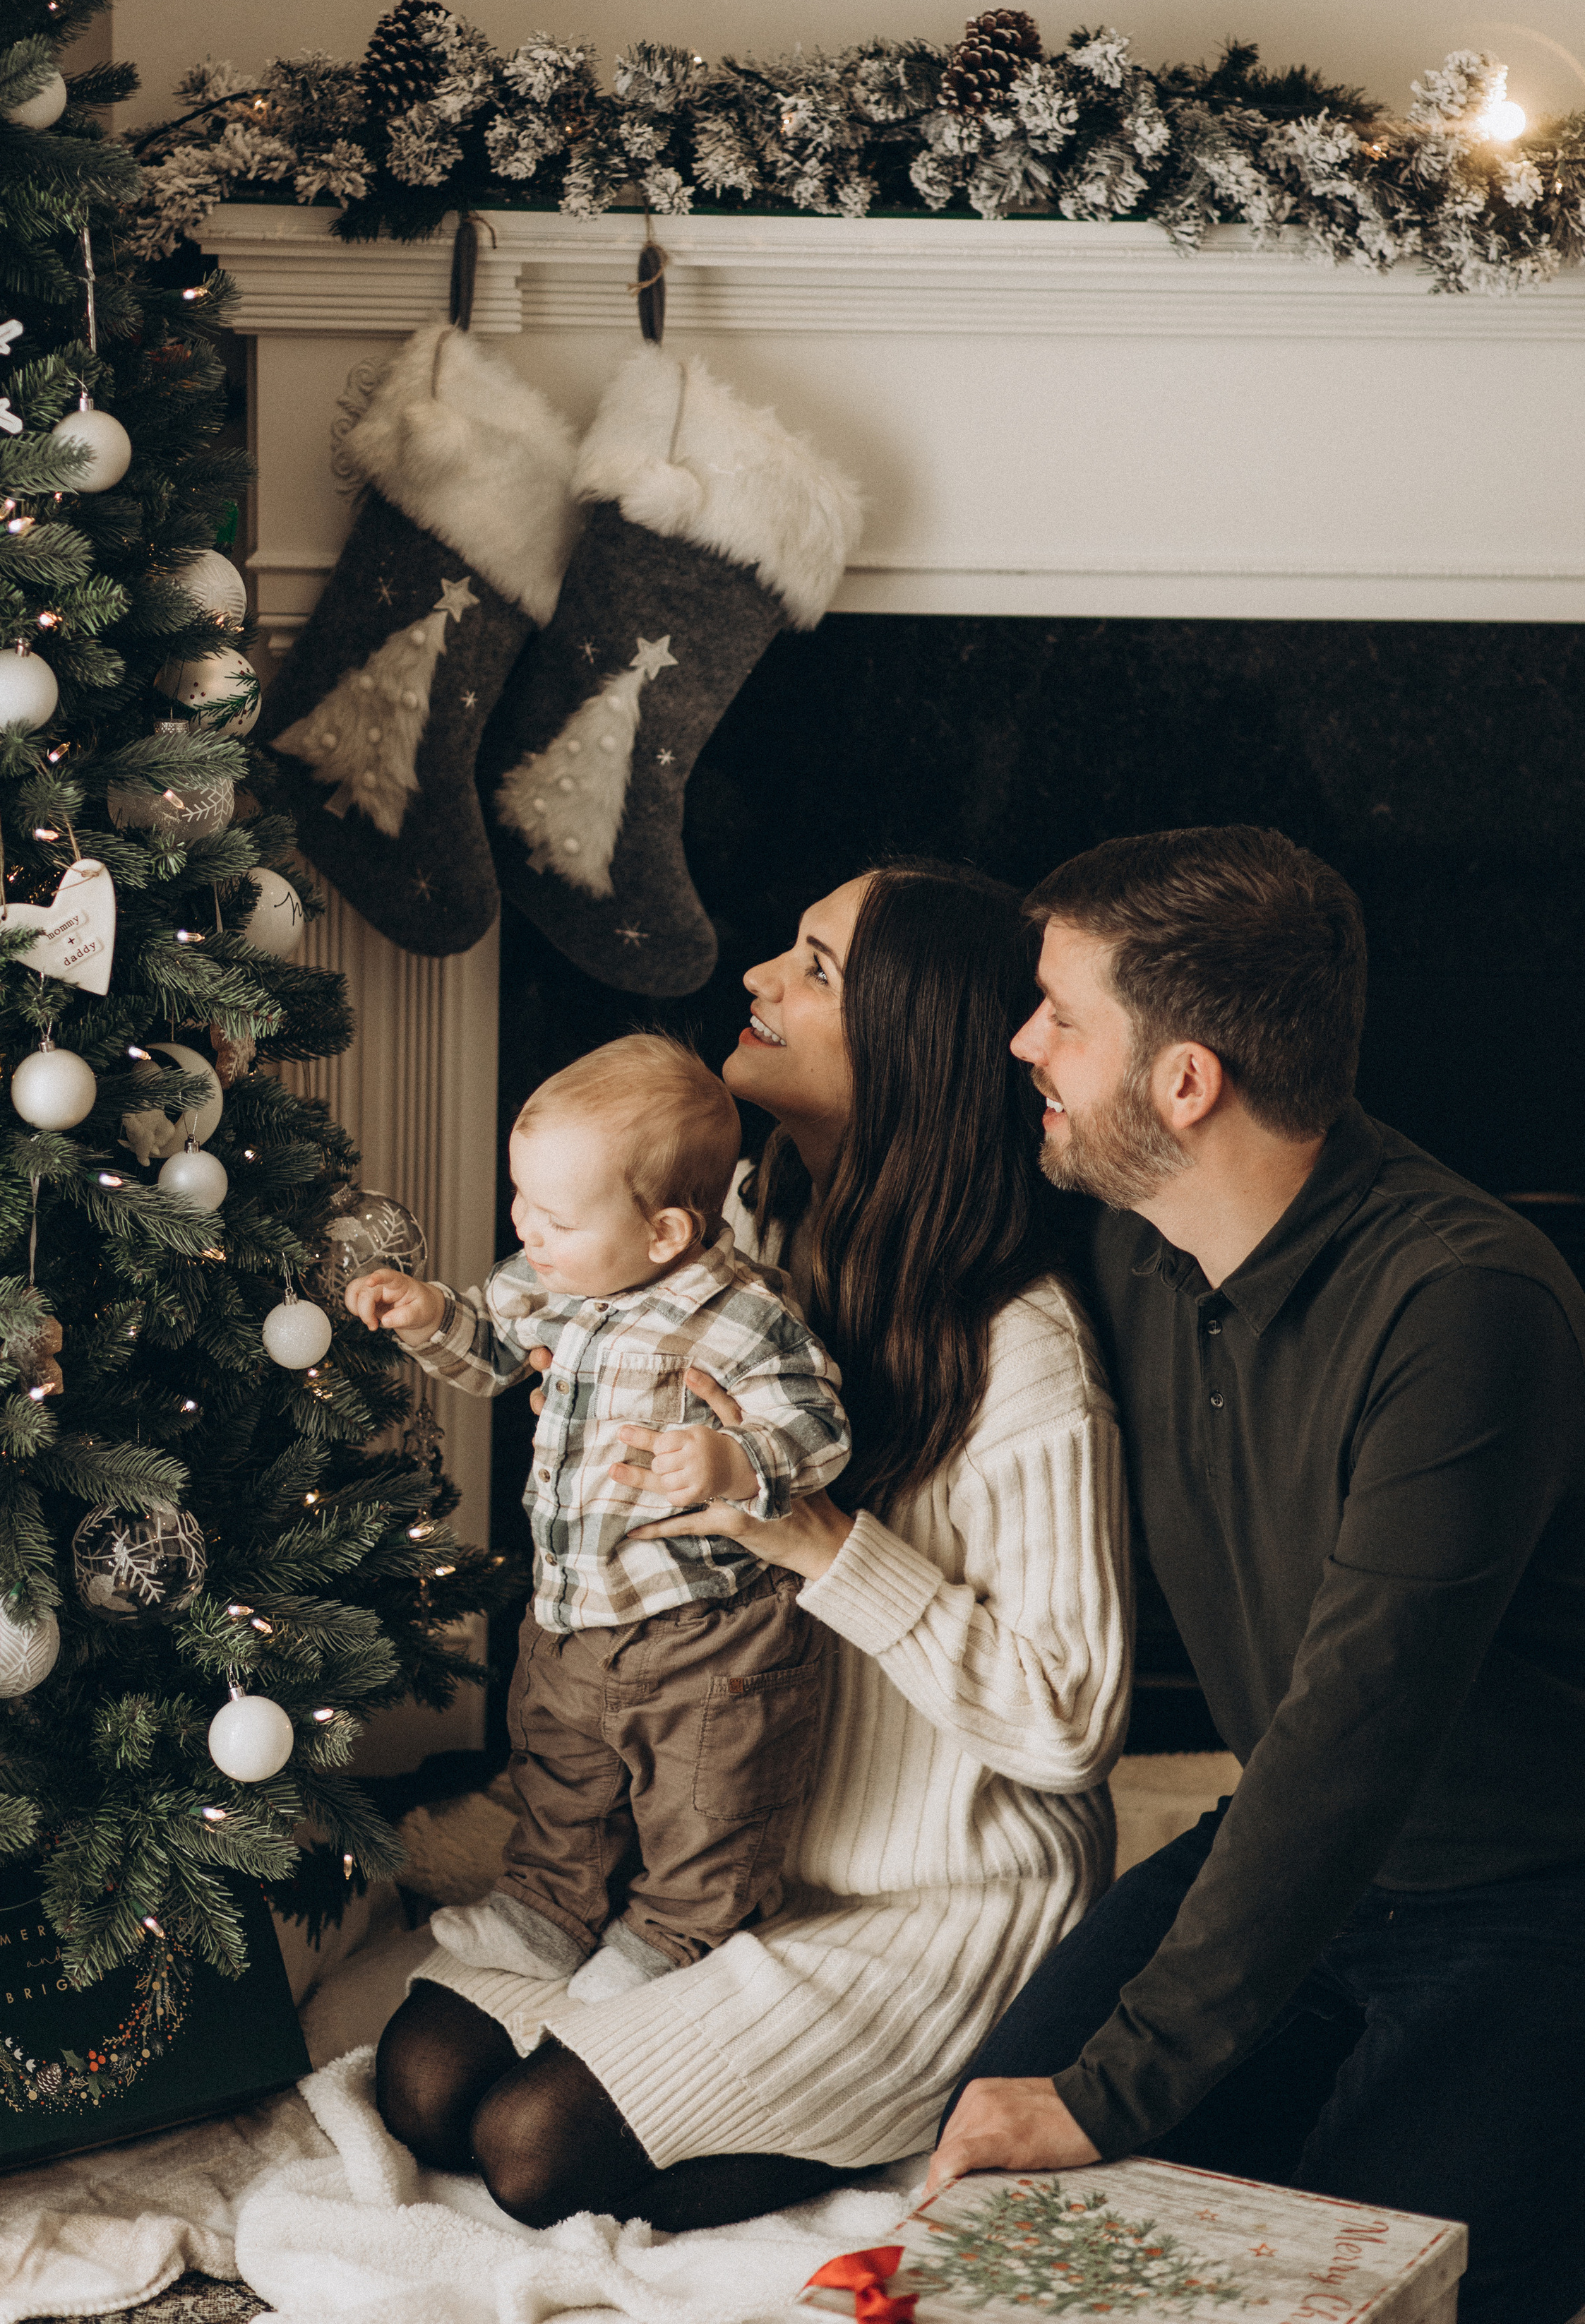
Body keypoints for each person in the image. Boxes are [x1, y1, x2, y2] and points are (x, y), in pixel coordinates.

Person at [372, 862, 1130, 2232]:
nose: (757, 978)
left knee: (530, 2149)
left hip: (930, 1899)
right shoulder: (720, 1231)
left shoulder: (1022, 1350)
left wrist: (822, 1542)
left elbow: (1069, 1724)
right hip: (711, 1836)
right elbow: (548, 1338)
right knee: (422, 2088)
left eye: (815, 968)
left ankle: (888, 2110)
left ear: (909, 1042)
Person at [930, 824, 1585, 2324]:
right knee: (998, 2187)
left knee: (1367, 2290)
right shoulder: (1140, 1244)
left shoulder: (1462, 1307)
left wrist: (1115, 2088)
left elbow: (1353, 1735)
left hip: (1528, 1889)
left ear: (1185, 1082)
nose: (1022, 1043)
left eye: (1060, 1017)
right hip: (1289, 1852)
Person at [348, 1033, 851, 2004]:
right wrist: (429, 1318)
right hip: (577, 1602)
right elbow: (491, 1346)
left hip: (705, 1625)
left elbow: (818, 1426)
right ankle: (549, 1908)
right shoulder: (559, 1276)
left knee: (705, 1791)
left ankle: (679, 1928)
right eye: (521, 1200)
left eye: (554, 1216)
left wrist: (733, 1459)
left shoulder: (740, 1316)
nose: (526, 1230)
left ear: (664, 1232)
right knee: (560, 1766)